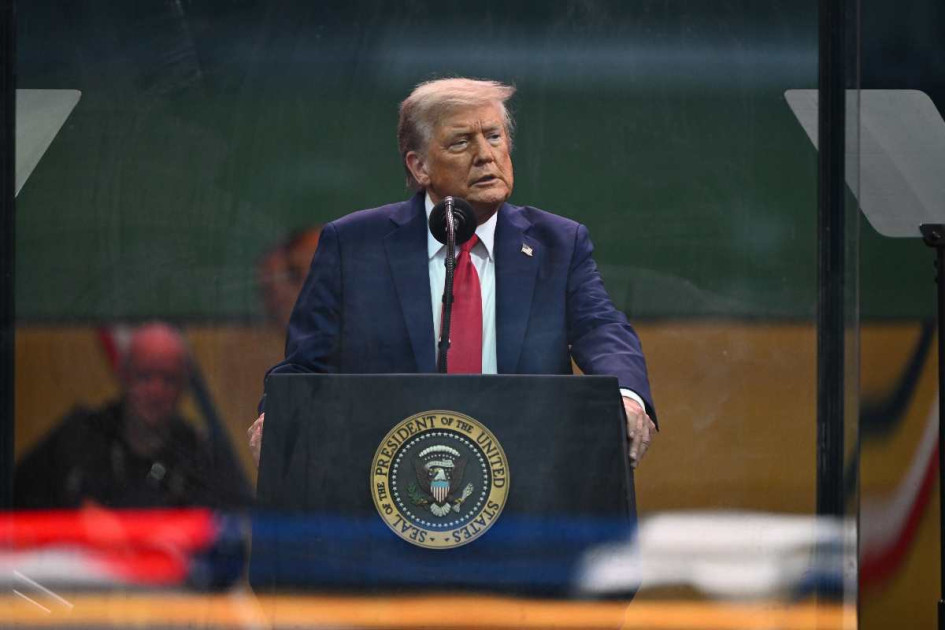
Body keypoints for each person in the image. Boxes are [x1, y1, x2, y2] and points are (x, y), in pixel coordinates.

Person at [249, 78, 656, 468]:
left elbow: (601, 328)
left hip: (527, 477)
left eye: (493, 136)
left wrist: (626, 394)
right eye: (462, 142)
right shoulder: (354, 245)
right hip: (389, 479)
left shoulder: (558, 243)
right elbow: (305, 365)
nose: (485, 154)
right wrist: (278, 412)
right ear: (420, 165)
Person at [15, 322, 249, 509]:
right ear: (124, 375)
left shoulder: (202, 455)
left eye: (168, 379)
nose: (156, 392)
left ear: (184, 385)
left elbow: (231, 536)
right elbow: (15, 503)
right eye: (145, 376)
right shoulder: (78, 437)